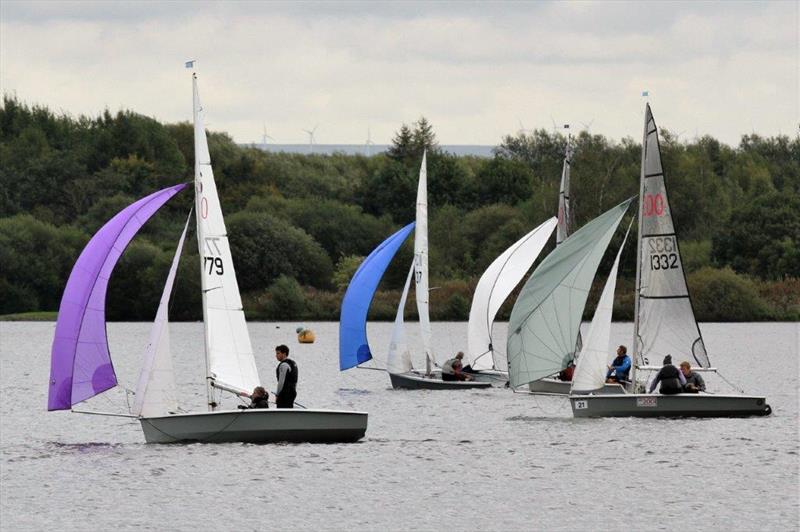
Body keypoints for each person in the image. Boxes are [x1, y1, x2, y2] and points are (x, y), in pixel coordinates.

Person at [274, 344, 298, 408]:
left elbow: (281, 382)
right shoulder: (293, 363)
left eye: (278, 353)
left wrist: (277, 394)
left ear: (284, 354)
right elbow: (295, 381)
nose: (276, 355)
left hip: (284, 394)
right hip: (292, 392)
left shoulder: (284, 365)